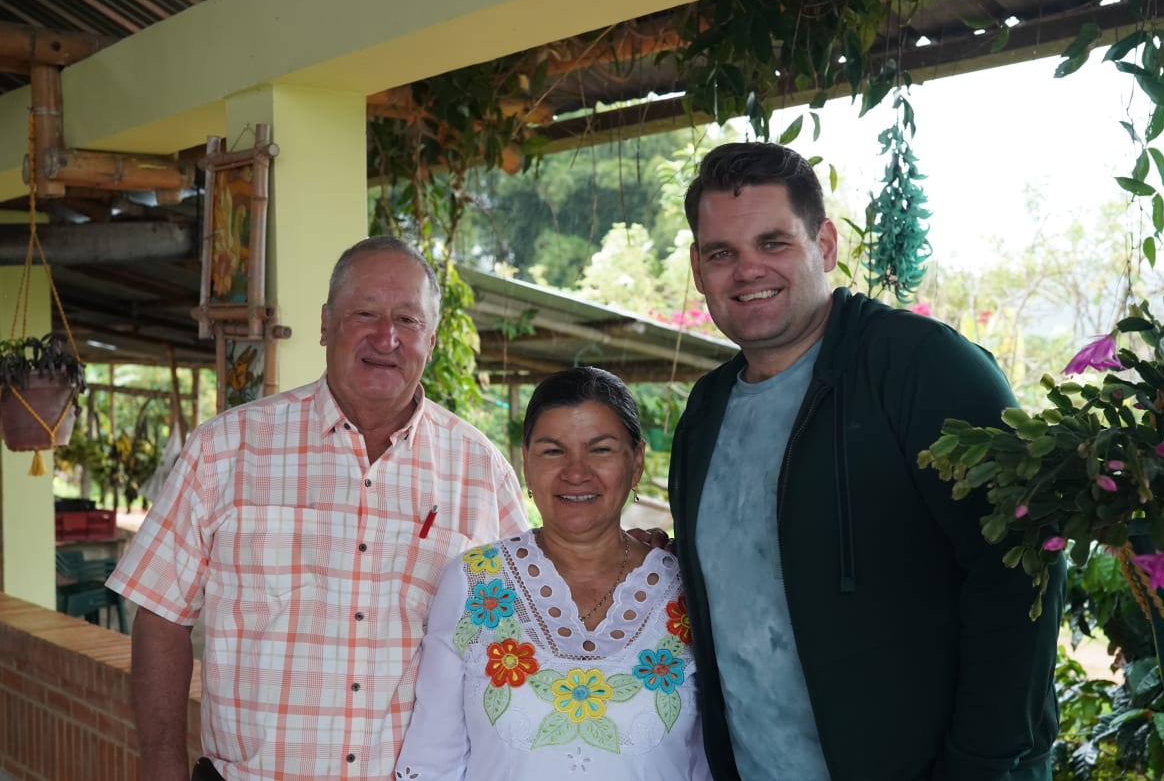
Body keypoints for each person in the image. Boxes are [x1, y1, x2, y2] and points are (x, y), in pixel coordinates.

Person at [668, 142, 1065, 781]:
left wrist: (979, 768)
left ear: (823, 245)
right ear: (697, 266)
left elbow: (1020, 576)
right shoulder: (706, 409)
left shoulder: (920, 366)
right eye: (722, 253)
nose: (747, 271)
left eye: (774, 243)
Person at [107, 235, 529, 781]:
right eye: (365, 313)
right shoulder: (226, 450)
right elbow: (161, 616)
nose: (386, 337)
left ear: (431, 337)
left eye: (408, 319)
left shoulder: (479, 469)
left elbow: (529, 623)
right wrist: (162, 768)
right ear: (327, 324)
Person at [395, 366, 711, 780]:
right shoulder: (475, 583)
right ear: (525, 462)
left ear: (635, 463)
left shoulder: (688, 589)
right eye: (552, 450)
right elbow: (433, 761)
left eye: (600, 450)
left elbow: (712, 762)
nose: (576, 472)